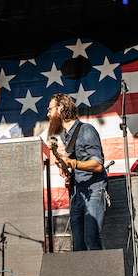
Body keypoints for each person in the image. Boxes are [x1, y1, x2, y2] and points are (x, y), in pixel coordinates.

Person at [47, 93, 108, 250]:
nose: (48, 114)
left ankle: (100, 274)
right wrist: (65, 169)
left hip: (93, 190)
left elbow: (98, 164)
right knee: (78, 244)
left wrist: (72, 163)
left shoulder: (86, 130)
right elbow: (74, 164)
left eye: (50, 109)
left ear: (60, 108)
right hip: (77, 192)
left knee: (91, 239)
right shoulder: (66, 136)